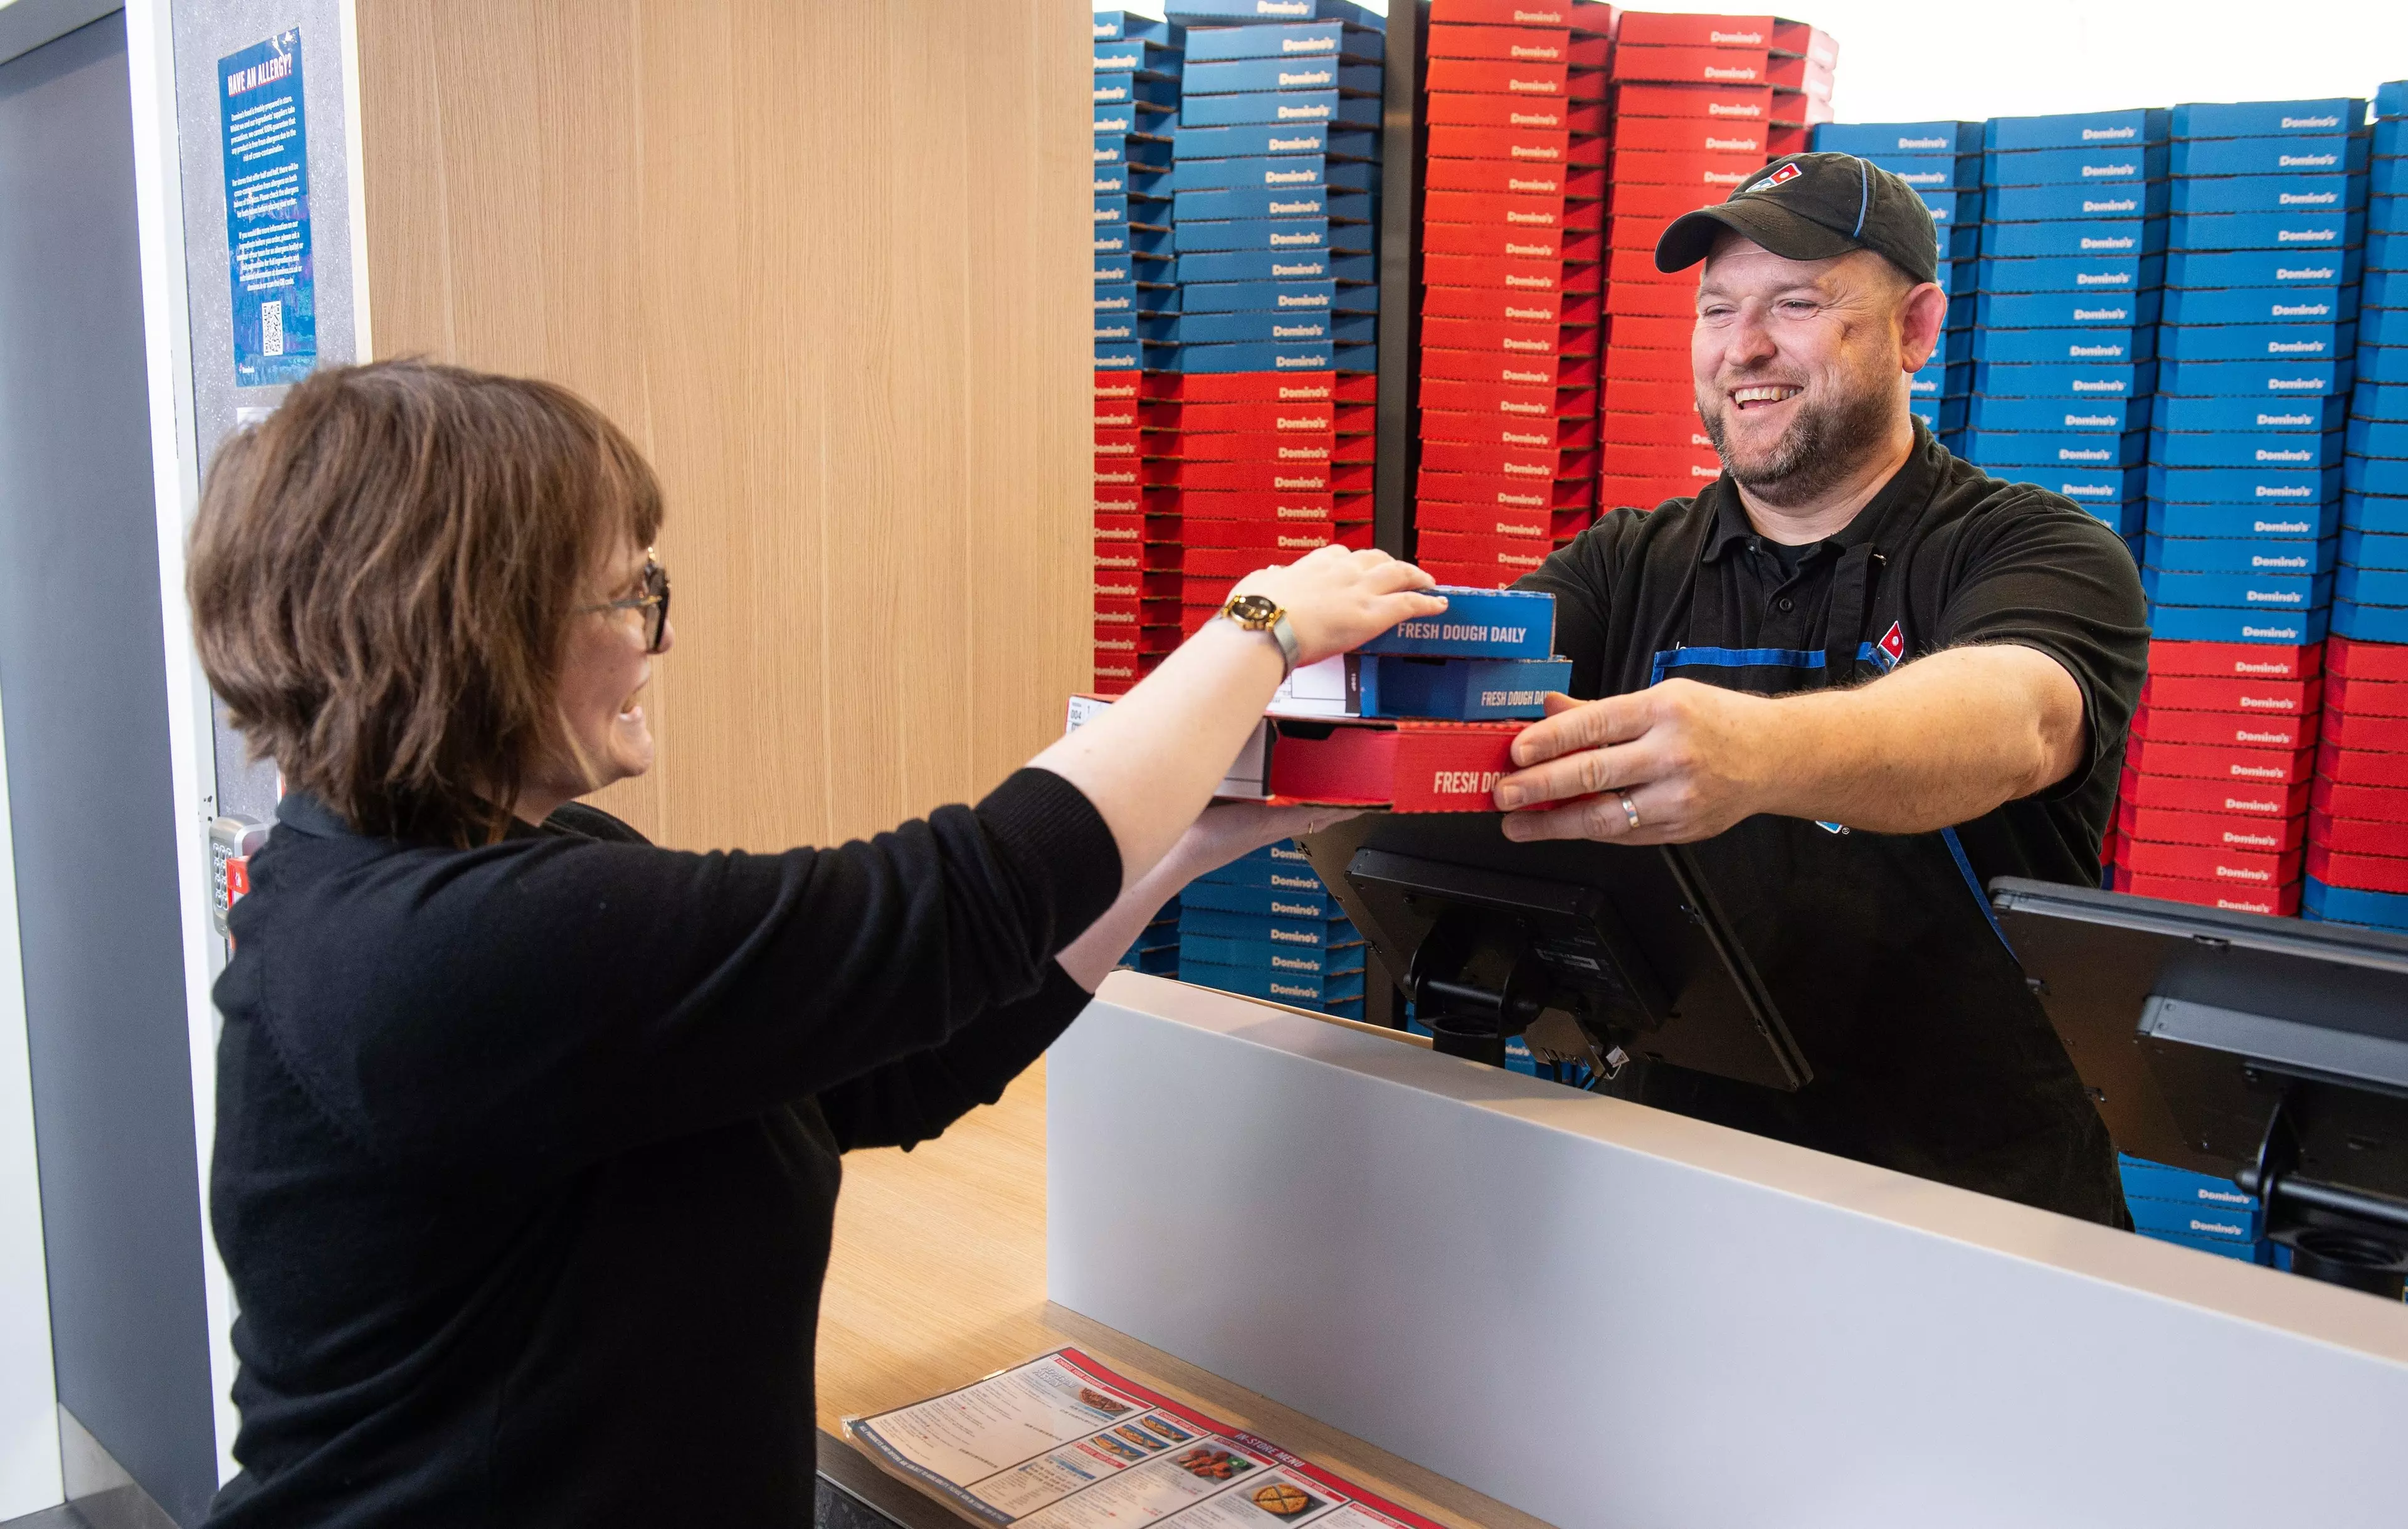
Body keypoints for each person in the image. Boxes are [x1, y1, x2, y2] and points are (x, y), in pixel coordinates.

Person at [185, 359, 1440, 1526]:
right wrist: (1259, 625)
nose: (658, 640)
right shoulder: (447, 955)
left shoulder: (502, 874)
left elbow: (878, 1065)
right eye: (629, 595)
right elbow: (956, 900)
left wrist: (1184, 847)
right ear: (475, 626)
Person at [1497, 154, 2149, 1224]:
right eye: (1718, 309)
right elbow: (1458, 698)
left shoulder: (2034, 548)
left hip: (1978, 1212)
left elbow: (2016, 719)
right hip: (1675, 1189)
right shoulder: (1628, 564)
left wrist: (1752, 755)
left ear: (1917, 329)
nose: (1744, 347)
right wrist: (1307, 646)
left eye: (1795, 303)